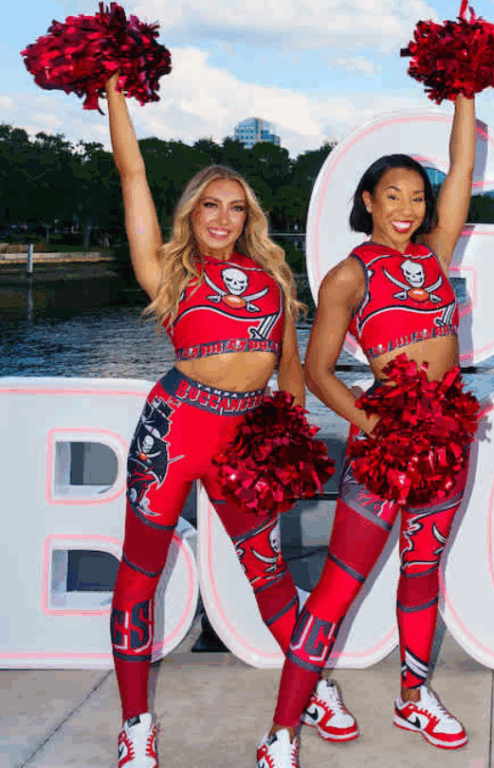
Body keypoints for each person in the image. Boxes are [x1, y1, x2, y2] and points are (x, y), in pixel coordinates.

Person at [103, 76, 355, 768]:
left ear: (249, 218)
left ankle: (315, 686)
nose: (221, 218)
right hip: (175, 429)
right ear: (192, 213)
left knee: (269, 572)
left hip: (245, 440)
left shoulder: (273, 279)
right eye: (210, 206)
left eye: (235, 208)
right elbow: (132, 174)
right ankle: (135, 725)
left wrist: (290, 435)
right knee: (138, 579)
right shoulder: (168, 272)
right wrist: (115, 94)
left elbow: (293, 371)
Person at [254, 93, 477, 767]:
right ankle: (282, 734)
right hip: (386, 440)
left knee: (423, 567)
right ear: (368, 200)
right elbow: (320, 371)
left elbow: (462, 169)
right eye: (393, 197)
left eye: (417, 198)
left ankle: (415, 695)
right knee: (337, 586)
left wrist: (464, 90)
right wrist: (370, 423)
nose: (408, 210)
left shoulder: (435, 253)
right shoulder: (349, 273)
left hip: (448, 430)